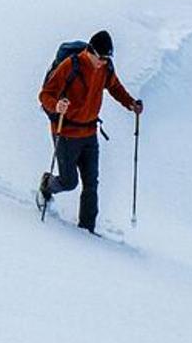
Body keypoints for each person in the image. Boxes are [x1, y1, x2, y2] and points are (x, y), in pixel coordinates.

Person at [36, 29, 143, 231]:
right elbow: (45, 95)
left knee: (91, 184)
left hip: (90, 133)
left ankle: (87, 230)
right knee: (69, 182)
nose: (104, 62)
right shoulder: (71, 66)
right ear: (90, 51)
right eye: (101, 57)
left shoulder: (106, 68)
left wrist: (130, 104)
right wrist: (57, 106)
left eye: (107, 58)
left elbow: (115, 87)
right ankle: (47, 184)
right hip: (66, 132)